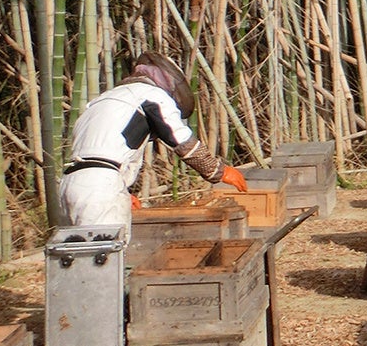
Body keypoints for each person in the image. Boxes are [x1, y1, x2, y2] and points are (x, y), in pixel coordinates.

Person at [59, 52, 247, 230]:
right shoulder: (151, 95)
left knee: (77, 256)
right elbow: (179, 138)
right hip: (98, 187)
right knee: (103, 257)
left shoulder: (101, 100)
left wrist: (121, 191)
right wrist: (217, 170)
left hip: (69, 183)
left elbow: (102, 152)